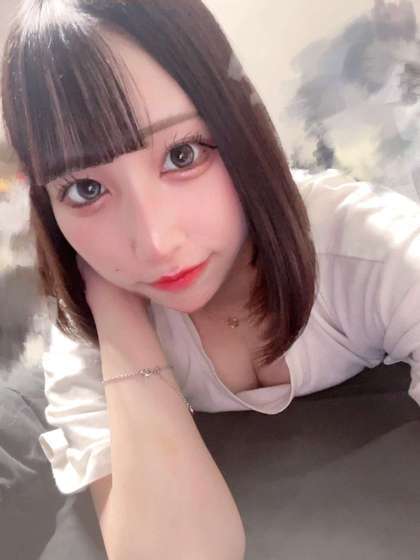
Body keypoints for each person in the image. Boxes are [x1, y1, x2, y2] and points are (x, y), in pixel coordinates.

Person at [2, 0, 420, 558]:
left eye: (182, 154)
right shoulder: (86, 327)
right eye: (86, 189)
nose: (155, 242)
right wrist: (118, 317)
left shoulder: (367, 250)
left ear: (238, 125)